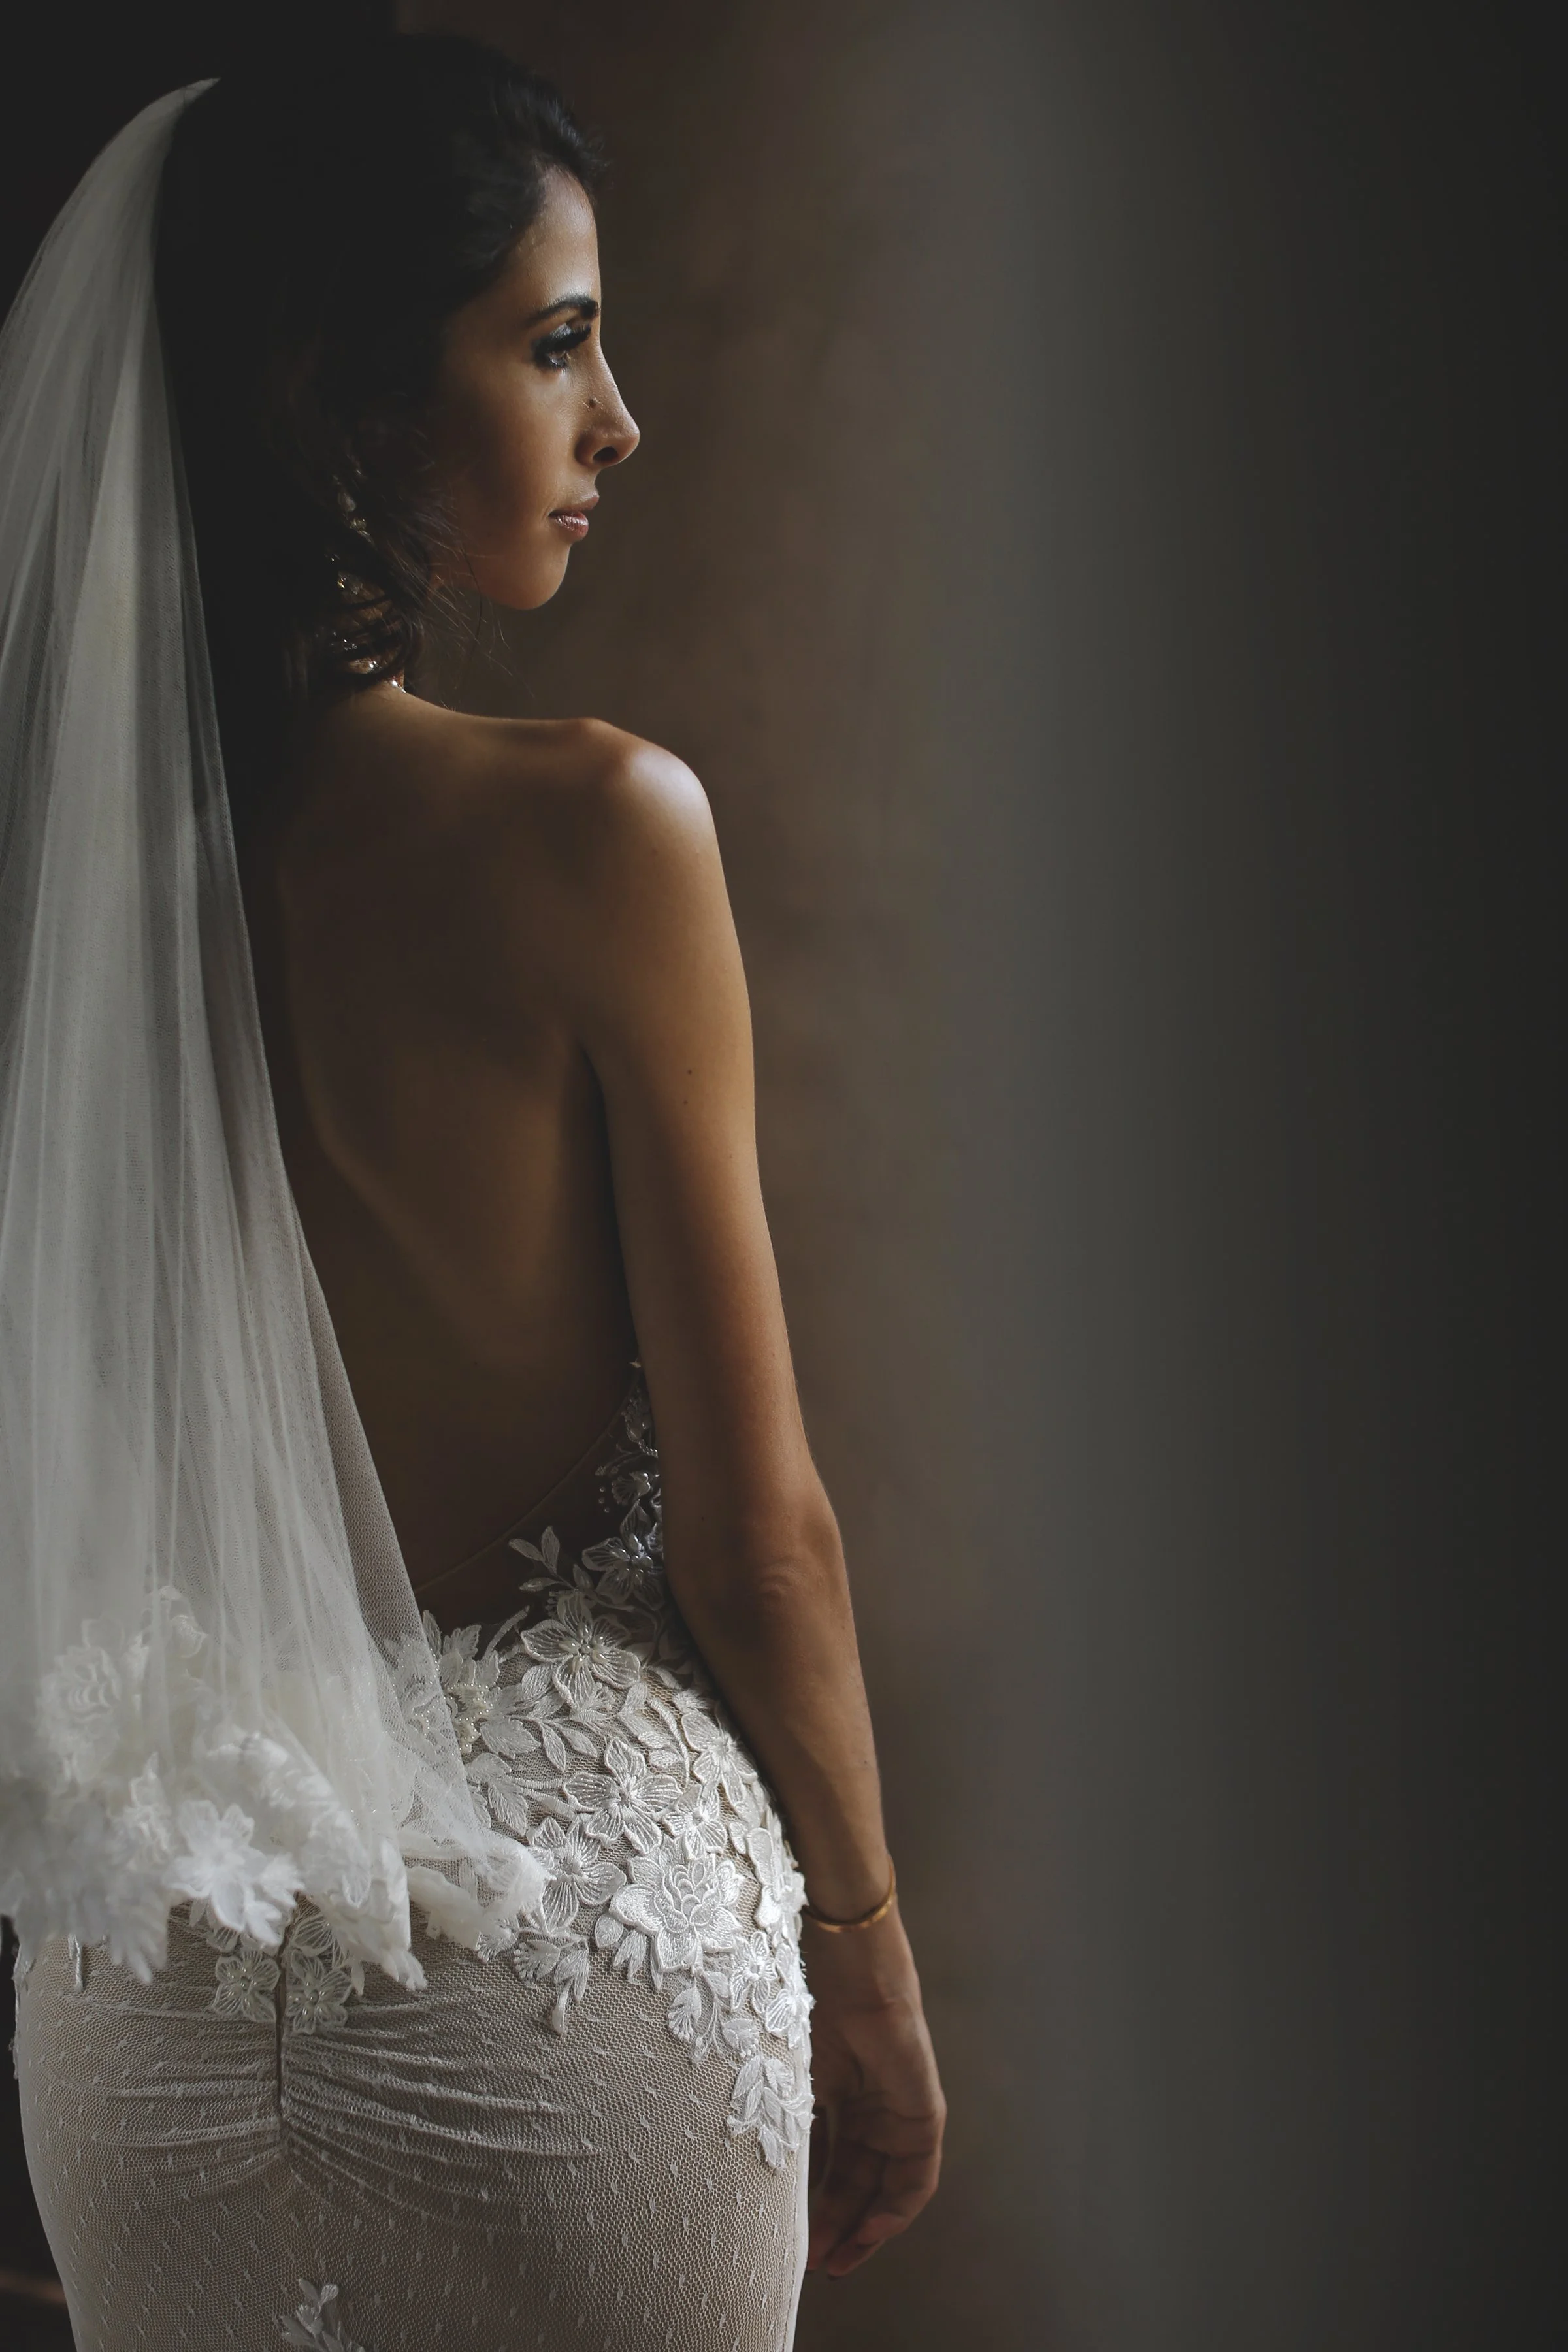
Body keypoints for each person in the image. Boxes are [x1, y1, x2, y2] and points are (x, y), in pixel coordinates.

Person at [4, 34, 943, 2351]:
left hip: (151, 2000)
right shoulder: (598, 829)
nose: (618, 418)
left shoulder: (54, 911)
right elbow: (761, 1537)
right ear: (339, 396)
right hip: (568, 1978)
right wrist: (873, 1957)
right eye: (552, 344)